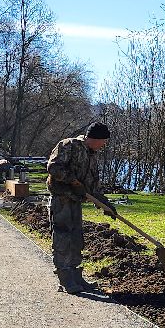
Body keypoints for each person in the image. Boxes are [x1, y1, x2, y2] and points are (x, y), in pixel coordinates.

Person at [46, 121, 111, 295]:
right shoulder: (70, 145)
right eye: (102, 141)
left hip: (76, 200)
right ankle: (65, 278)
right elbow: (53, 167)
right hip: (62, 198)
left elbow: (93, 185)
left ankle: (75, 275)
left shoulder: (91, 155)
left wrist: (106, 204)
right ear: (94, 138)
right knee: (63, 236)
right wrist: (73, 181)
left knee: (76, 236)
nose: (103, 145)